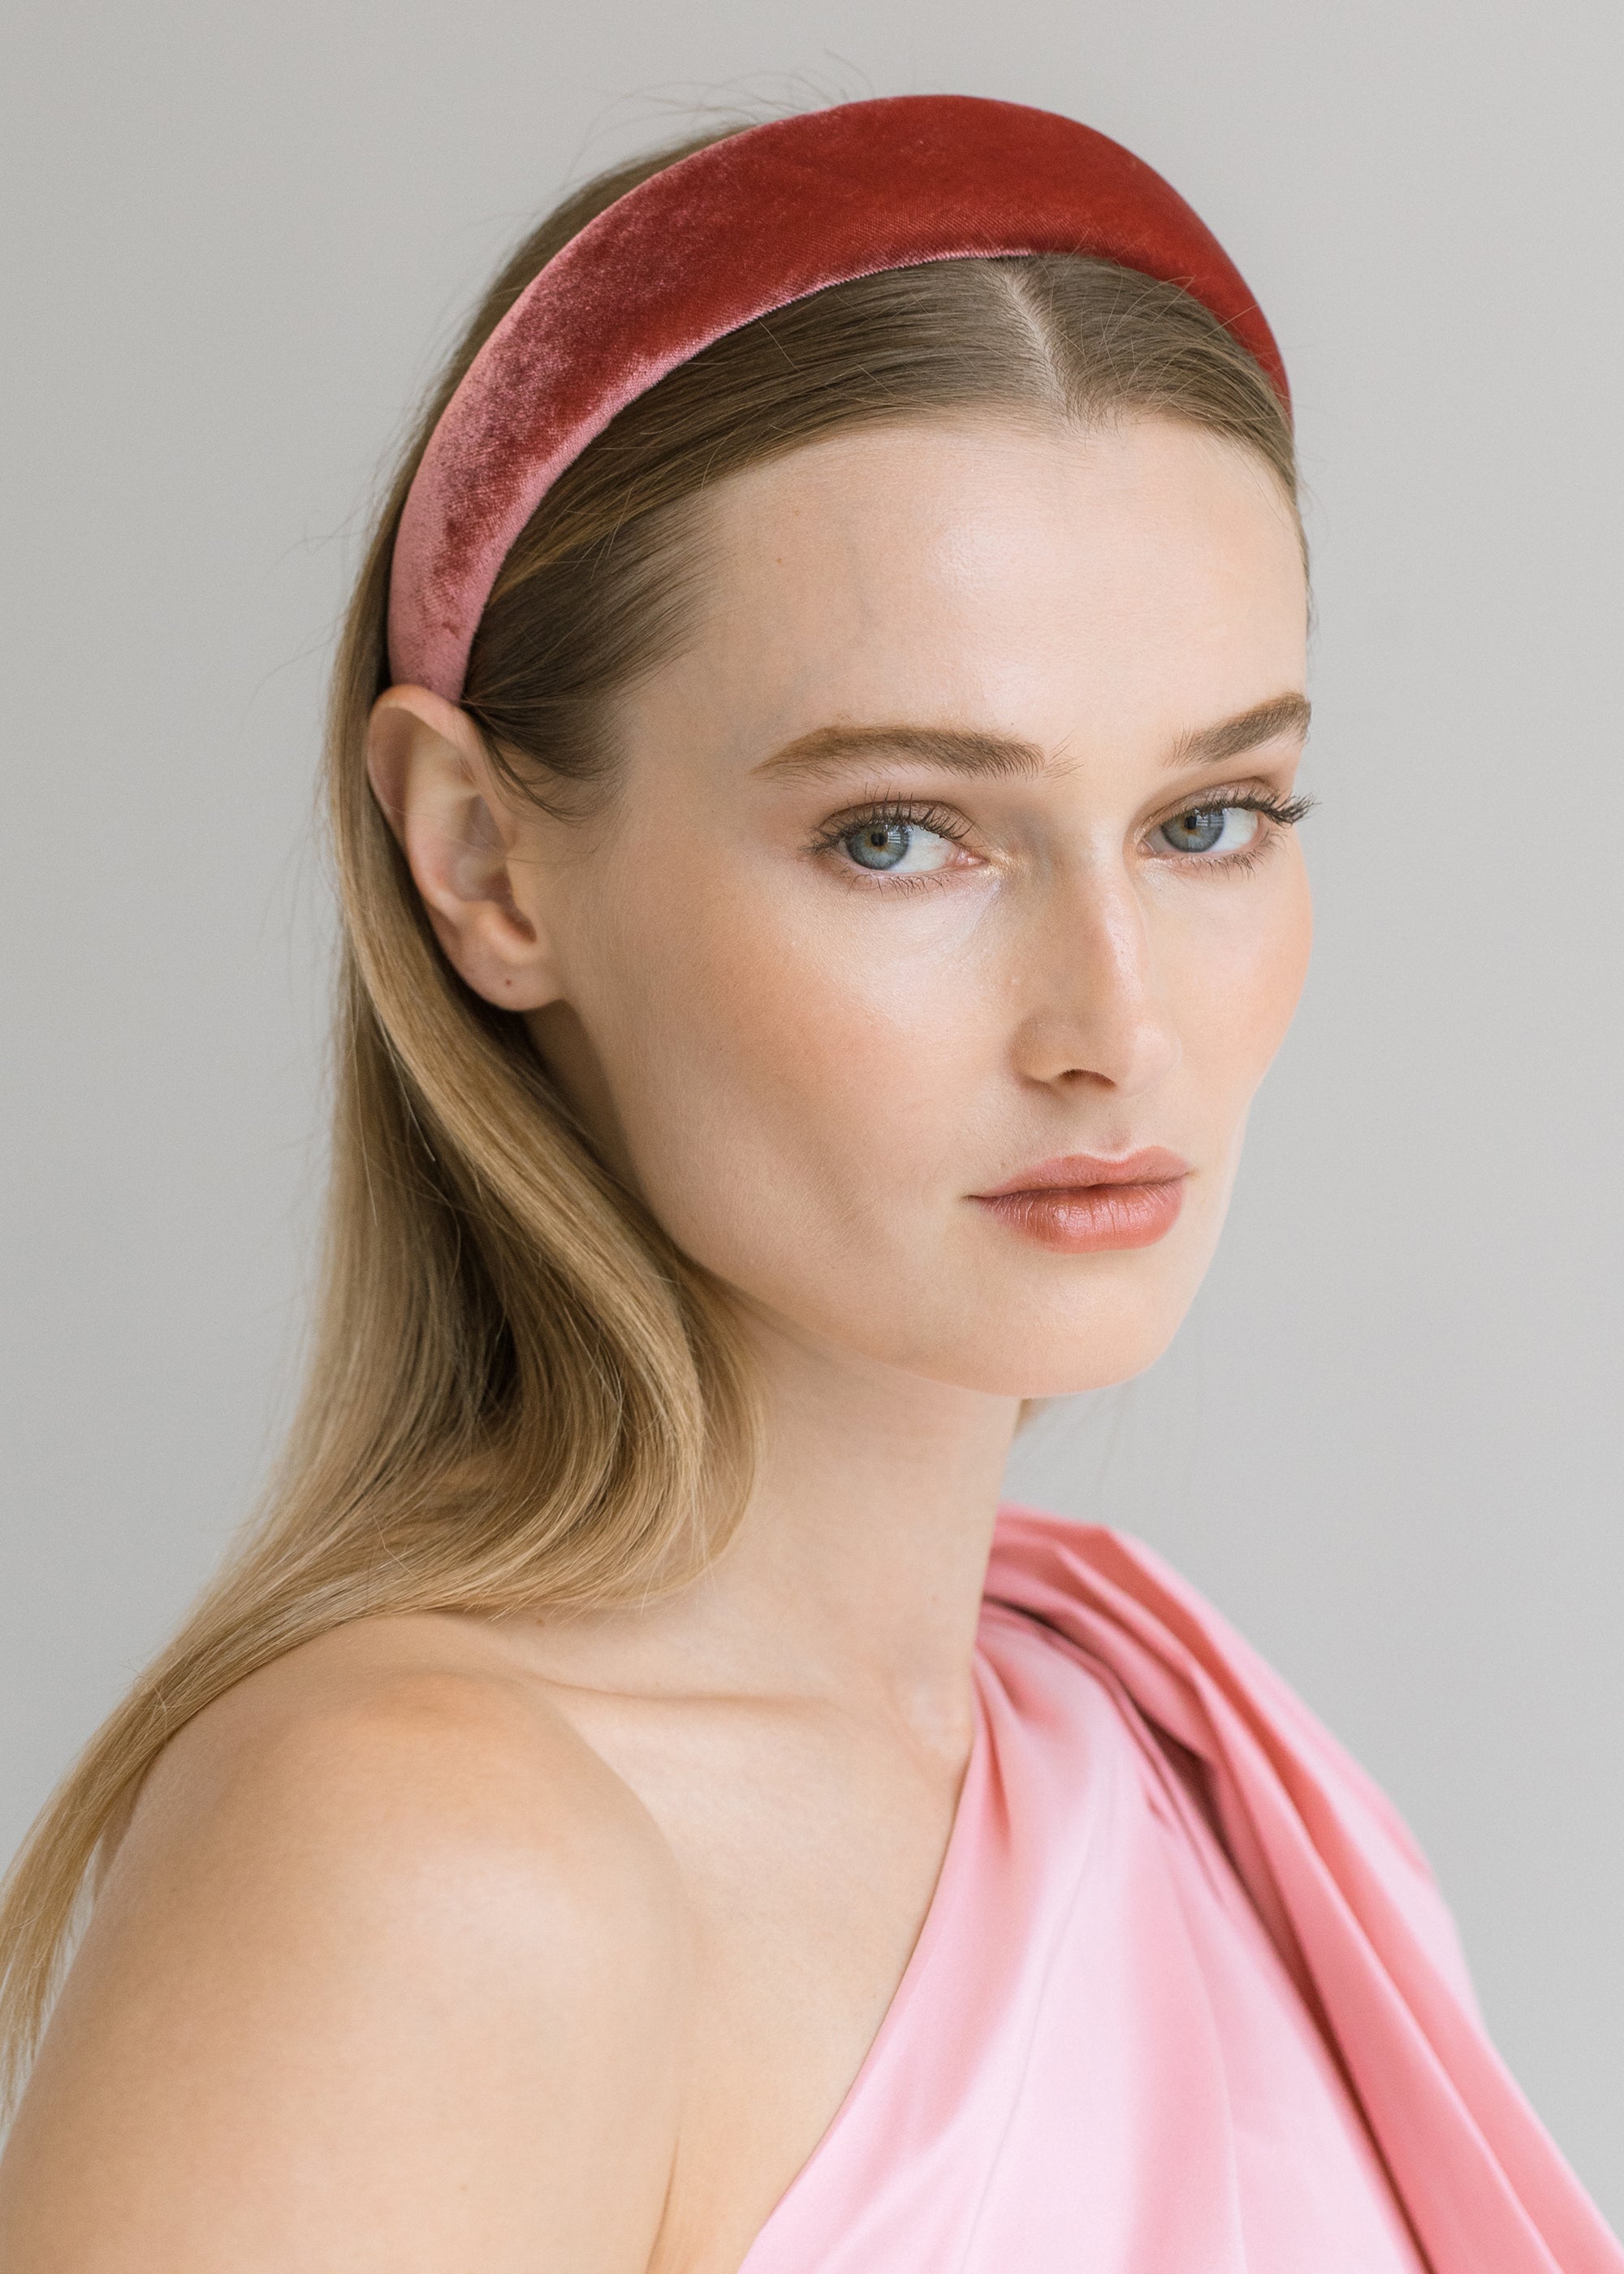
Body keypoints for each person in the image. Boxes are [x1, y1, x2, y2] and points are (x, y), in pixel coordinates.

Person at [0, 94, 1614, 2274]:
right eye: (902, 834)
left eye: (1211, 819)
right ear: (485, 864)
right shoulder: (426, 1870)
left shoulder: (1171, 1745)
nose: (1114, 1022)